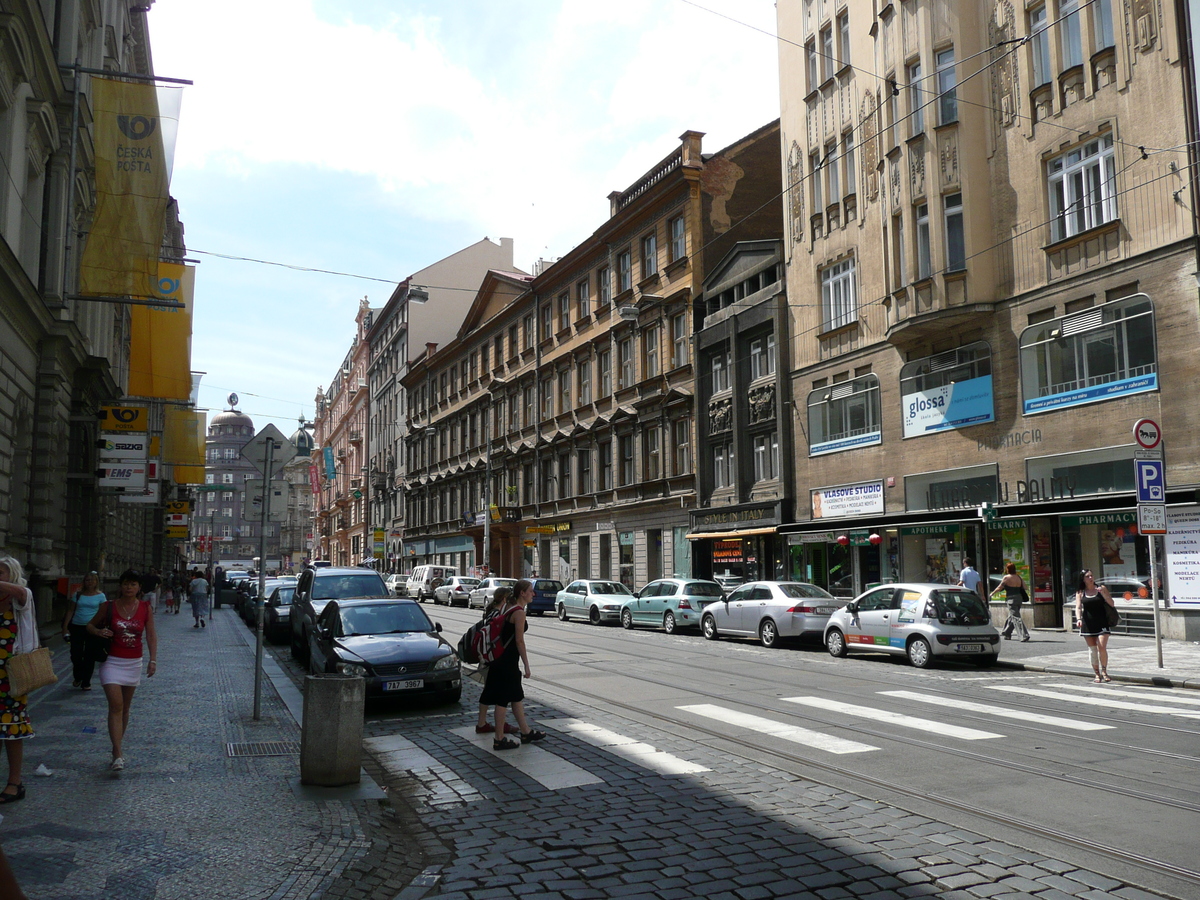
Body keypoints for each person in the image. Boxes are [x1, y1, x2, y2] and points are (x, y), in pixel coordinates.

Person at [87, 569, 157, 770]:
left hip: (134, 662)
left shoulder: (145, 607)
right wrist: (99, 631)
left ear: (139, 588)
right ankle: (118, 753)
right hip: (111, 661)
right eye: (126, 584)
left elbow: (151, 635)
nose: (129, 587)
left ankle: (116, 746)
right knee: (116, 705)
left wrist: (153, 660)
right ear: (120, 586)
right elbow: (89, 626)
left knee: (125, 708)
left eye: (133, 584)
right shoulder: (108, 606)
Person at [478, 579, 545, 750]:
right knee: (503, 700)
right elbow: (519, 641)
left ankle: (525, 731)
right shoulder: (519, 613)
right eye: (530, 591)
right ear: (522, 593)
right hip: (507, 663)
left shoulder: (508, 607)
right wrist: (527, 666)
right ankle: (499, 739)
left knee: (516, 696)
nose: (533, 594)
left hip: (498, 660)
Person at [0, 558, 36, 804]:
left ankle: (15, 782)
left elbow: (22, 592)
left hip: (11, 676)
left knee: (12, 729)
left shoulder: (21, 597)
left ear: (11, 573)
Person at [472, 588, 519, 737]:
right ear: (505, 599)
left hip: (487, 655)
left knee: (489, 689)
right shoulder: (498, 614)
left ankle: (482, 723)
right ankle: (498, 725)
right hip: (494, 656)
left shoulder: (490, 611)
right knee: (498, 693)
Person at [61, 570, 106, 690]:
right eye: (87, 580)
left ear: (96, 582)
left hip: (92, 627)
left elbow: (103, 613)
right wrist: (65, 627)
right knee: (76, 654)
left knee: (89, 655)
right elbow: (70, 611)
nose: (90, 582)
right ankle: (78, 676)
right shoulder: (78, 595)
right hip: (77, 627)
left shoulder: (101, 596)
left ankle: (86, 681)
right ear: (84, 582)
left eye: (92, 580)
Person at [1075, 569, 1116, 683]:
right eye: (1087, 576)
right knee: (1093, 650)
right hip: (1088, 623)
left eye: (1091, 576)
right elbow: (1078, 607)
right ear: (1083, 579)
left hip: (1102, 622)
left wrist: (1104, 595)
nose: (1090, 578)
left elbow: (1112, 604)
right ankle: (1097, 674)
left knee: (1101, 647)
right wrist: (1078, 619)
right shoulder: (1080, 592)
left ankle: (1104, 671)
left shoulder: (1101, 588)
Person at [992, 563, 1030, 642]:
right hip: (1019, 598)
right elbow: (1025, 587)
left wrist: (992, 593)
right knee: (1011, 616)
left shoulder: (1006, 577)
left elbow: (1000, 587)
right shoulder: (1018, 577)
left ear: (1007, 569)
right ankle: (1007, 633)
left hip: (1011, 599)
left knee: (1016, 617)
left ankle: (1024, 635)